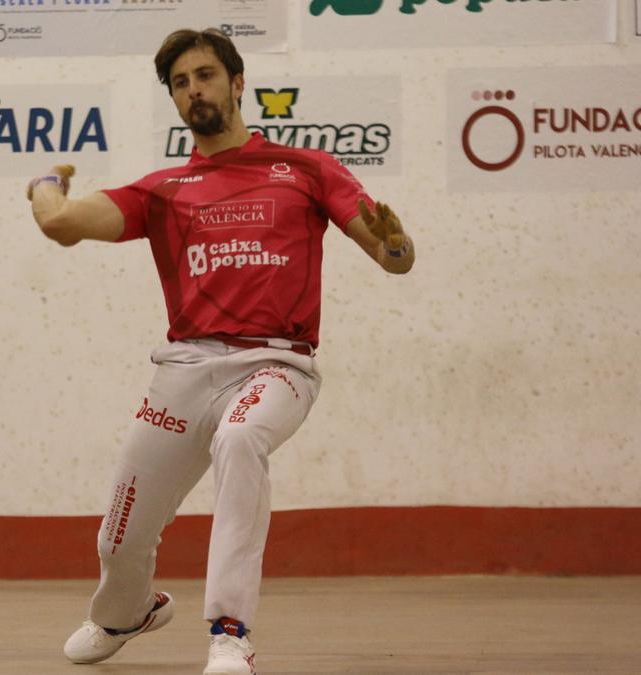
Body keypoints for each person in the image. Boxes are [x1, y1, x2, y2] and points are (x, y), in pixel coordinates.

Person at [25, 28, 415, 675]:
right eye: (180, 83)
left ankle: (230, 631)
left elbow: (391, 257)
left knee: (239, 439)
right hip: (184, 369)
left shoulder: (308, 169)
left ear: (237, 83)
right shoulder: (164, 190)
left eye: (205, 75)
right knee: (119, 537)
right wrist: (43, 180)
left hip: (276, 365)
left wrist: (396, 247)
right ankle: (128, 611)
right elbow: (59, 222)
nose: (194, 90)